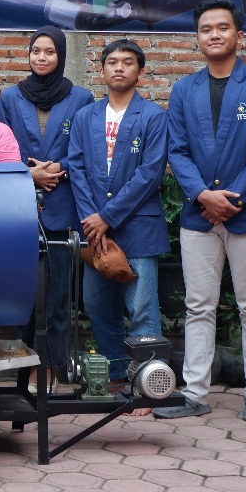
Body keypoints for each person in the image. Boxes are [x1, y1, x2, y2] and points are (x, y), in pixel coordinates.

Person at [157, 0, 246, 423]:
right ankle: (194, 391)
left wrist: (231, 199)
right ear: (197, 38)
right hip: (199, 215)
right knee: (198, 305)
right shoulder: (184, 89)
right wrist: (200, 195)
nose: (214, 34)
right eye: (205, 28)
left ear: (238, 35)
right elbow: (176, 149)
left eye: (222, 27)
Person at [67, 40, 168, 400]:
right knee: (97, 306)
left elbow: (150, 174)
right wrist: (90, 220)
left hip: (137, 226)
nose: (119, 68)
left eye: (128, 62)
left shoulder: (154, 116)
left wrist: (106, 217)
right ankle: (111, 375)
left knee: (141, 309)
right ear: (102, 70)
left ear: (140, 72)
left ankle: (147, 387)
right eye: (112, 62)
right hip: (95, 232)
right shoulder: (86, 116)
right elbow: (75, 169)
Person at [0, 27, 94, 383]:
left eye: (49, 52)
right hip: (20, 207)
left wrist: (60, 168)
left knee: (58, 296)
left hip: (63, 204)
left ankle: (53, 365)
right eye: (36, 50)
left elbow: (87, 147)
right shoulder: (9, 97)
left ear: (60, 56)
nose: (41, 57)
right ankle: (25, 365)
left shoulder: (82, 98)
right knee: (24, 294)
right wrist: (28, 172)